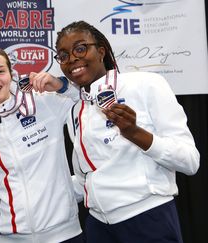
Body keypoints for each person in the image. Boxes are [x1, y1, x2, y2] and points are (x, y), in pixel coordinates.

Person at [55, 20, 200, 243]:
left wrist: (135, 133)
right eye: (63, 55)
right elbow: (87, 177)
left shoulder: (145, 84)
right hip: (98, 226)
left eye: (80, 48)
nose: (72, 58)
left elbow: (190, 161)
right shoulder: (76, 110)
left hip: (147, 218)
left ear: (101, 51)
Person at [0, 46, 83, 243]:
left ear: (10, 75)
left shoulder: (44, 103)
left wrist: (62, 85)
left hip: (65, 235)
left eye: (0, 71)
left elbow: (88, 102)